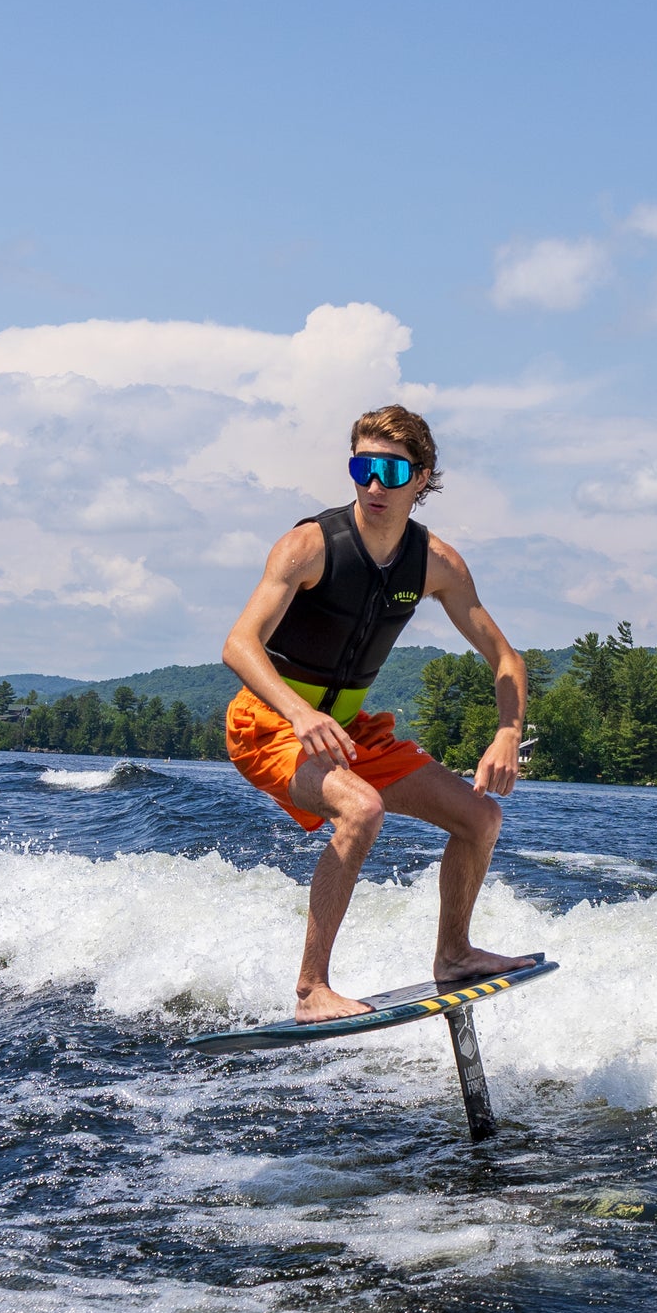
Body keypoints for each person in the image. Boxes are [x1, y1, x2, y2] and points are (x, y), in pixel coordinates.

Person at [222, 404, 536, 1022]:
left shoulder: (435, 564)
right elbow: (239, 644)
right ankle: (312, 989)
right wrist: (299, 713)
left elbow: (505, 656)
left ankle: (453, 955)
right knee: (360, 808)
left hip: (348, 729)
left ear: (421, 479)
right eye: (362, 468)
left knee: (480, 818)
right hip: (268, 721)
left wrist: (507, 732)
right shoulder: (309, 546)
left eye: (390, 472)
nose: (373, 486)